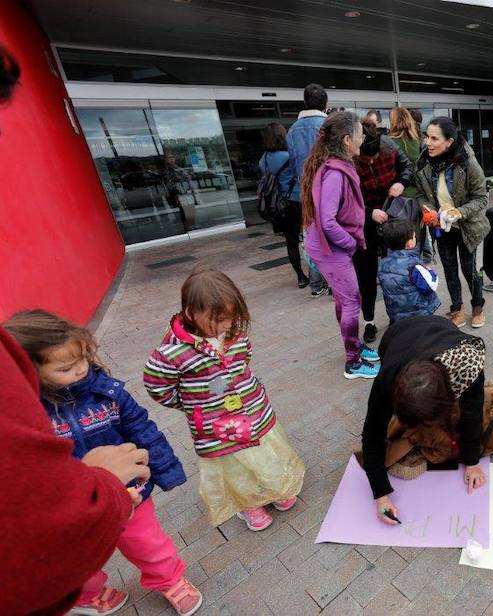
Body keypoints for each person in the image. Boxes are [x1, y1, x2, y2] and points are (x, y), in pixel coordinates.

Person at [0, 46, 152, 616]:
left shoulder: (105, 389)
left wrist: (152, 468)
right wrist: (96, 490)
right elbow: (38, 534)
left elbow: (138, 424)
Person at [5, 310, 202, 616]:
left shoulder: (107, 392)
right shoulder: (29, 415)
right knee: (77, 560)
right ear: (31, 371)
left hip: (131, 492)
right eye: (67, 367)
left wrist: (166, 468)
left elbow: (141, 427)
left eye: (84, 357)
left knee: (148, 542)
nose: (82, 369)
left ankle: (170, 579)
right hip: (74, 506)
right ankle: (87, 594)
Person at [144, 268, 306, 531]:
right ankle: (248, 504)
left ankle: (274, 489)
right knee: (235, 465)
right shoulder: (171, 353)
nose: (227, 325)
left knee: (263, 451)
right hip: (215, 426)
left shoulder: (237, 335)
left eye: (231, 317)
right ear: (190, 314)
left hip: (253, 411)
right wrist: (191, 405)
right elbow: (157, 387)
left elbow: (245, 360)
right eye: (218, 319)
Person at [361, 315, 487, 523]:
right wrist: (381, 495)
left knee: (463, 415)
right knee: (384, 418)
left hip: (441, 328)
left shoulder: (468, 366)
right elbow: (372, 435)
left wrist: (472, 461)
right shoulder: (386, 381)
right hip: (396, 337)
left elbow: (472, 414)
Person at [301, 111, 381, 379]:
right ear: (347, 139)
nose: (362, 138)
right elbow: (328, 221)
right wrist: (350, 243)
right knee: (351, 302)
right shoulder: (335, 172)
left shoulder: (337, 165)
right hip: (332, 248)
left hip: (331, 247)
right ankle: (353, 361)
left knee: (344, 299)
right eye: (359, 134)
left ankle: (355, 345)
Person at [414, 116, 490, 328]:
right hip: (441, 228)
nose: (428, 142)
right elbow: (420, 194)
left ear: (449, 142)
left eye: (434, 138)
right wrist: (426, 209)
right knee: (449, 269)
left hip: (466, 227)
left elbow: (481, 197)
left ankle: (477, 306)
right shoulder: (423, 162)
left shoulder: (467, 163)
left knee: (468, 269)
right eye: (427, 137)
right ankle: (457, 308)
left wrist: (459, 212)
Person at [354, 119, 413, 343]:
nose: (370, 161)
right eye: (365, 158)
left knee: (395, 271)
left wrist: (401, 182)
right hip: (364, 222)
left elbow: (408, 168)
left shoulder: (389, 145)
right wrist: (369, 212)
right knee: (366, 274)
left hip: (391, 216)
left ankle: (396, 316)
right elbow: (345, 201)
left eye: (374, 157)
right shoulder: (347, 159)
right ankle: (369, 320)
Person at [287, 83, 329, 297]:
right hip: (329, 191)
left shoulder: (292, 130)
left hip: (305, 194)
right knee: (332, 236)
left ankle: (316, 284)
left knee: (311, 238)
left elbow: (295, 165)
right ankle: (333, 282)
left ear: (305, 102)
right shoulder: (328, 125)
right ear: (325, 104)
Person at [261, 122, 310, 288]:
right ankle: (316, 274)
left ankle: (300, 277)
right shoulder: (289, 156)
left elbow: (263, 172)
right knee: (308, 237)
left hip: (278, 205)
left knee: (291, 242)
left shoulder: (265, 158)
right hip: (296, 201)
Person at [389, 106, 433, 263]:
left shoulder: (389, 143)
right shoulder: (419, 142)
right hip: (418, 197)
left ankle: (403, 271)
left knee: (399, 238)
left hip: (398, 199)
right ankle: (417, 266)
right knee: (416, 236)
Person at [378, 219, 440, 324]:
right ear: (410, 243)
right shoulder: (414, 266)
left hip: (396, 316)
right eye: (414, 236)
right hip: (419, 316)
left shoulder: (383, 264)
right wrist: (431, 272)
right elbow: (430, 286)